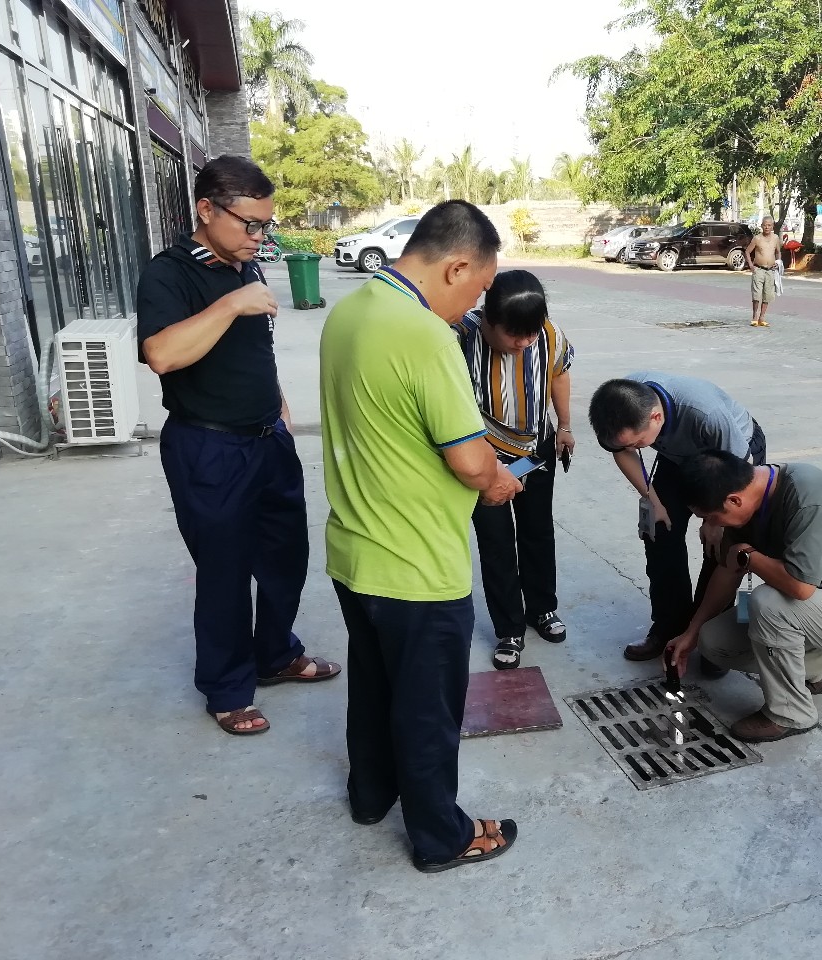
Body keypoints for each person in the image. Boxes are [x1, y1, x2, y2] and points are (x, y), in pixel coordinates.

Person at [320, 200, 522, 873]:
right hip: (416, 565)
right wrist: (498, 481)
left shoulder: (349, 311)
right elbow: (469, 460)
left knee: (373, 687)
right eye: (478, 287)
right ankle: (442, 835)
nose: (474, 306)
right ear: (456, 264)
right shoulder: (423, 335)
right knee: (428, 710)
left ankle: (371, 794)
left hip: (355, 550)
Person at [137, 155, 339, 738]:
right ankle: (227, 689)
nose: (259, 236)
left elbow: (254, 348)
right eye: (249, 223)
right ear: (206, 210)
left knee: (286, 558)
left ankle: (275, 653)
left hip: (267, 439)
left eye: (266, 224)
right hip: (209, 448)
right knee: (224, 573)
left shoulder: (248, 266)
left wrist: (274, 398)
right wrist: (228, 305)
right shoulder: (170, 274)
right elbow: (163, 355)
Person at [664, 451, 822, 743]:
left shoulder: (805, 497)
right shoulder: (747, 502)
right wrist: (692, 632)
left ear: (734, 500)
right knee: (713, 642)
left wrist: (750, 556)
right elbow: (727, 571)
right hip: (817, 610)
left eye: (713, 518)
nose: (715, 525)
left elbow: (800, 588)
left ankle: (792, 713)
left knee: (769, 604)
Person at [588, 374, 765, 664]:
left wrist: (714, 522)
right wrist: (652, 499)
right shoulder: (619, 405)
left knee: (720, 547)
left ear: (656, 417)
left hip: (730, 459)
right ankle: (669, 626)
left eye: (640, 442)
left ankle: (711, 638)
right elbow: (623, 450)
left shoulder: (707, 414)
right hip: (677, 455)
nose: (640, 448)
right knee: (658, 531)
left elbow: (738, 478)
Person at [454, 270, 576, 670]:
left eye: (531, 334)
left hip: (535, 448)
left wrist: (565, 425)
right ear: (488, 319)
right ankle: (509, 628)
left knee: (538, 531)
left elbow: (558, 373)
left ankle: (542, 608)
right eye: (514, 335)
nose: (524, 343)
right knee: (496, 543)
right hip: (482, 455)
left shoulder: (548, 334)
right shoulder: (461, 334)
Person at [745, 216, 780, 327]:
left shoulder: (775, 238)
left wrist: (778, 262)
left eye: (769, 225)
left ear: (773, 226)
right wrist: (751, 265)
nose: (767, 227)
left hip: (770, 271)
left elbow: (778, 252)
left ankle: (762, 317)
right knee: (756, 294)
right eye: (765, 225)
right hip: (758, 269)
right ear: (761, 226)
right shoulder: (757, 238)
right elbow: (747, 252)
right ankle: (755, 316)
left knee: (767, 295)